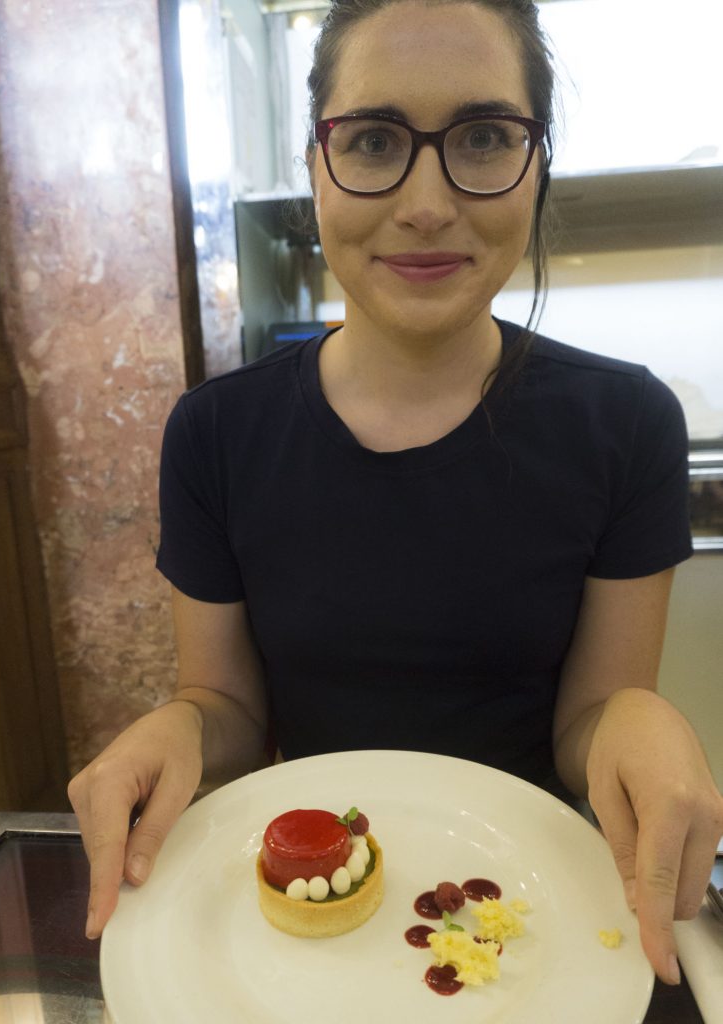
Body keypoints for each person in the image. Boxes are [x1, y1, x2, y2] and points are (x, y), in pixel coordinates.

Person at [68, 0, 723, 987]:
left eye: (485, 136)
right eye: (373, 139)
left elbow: (589, 717)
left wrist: (639, 716)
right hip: (299, 929)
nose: (425, 202)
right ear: (314, 162)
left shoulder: (625, 422)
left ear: (536, 163)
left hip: (531, 923)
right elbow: (230, 710)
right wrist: (180, 724)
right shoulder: (213, 433)